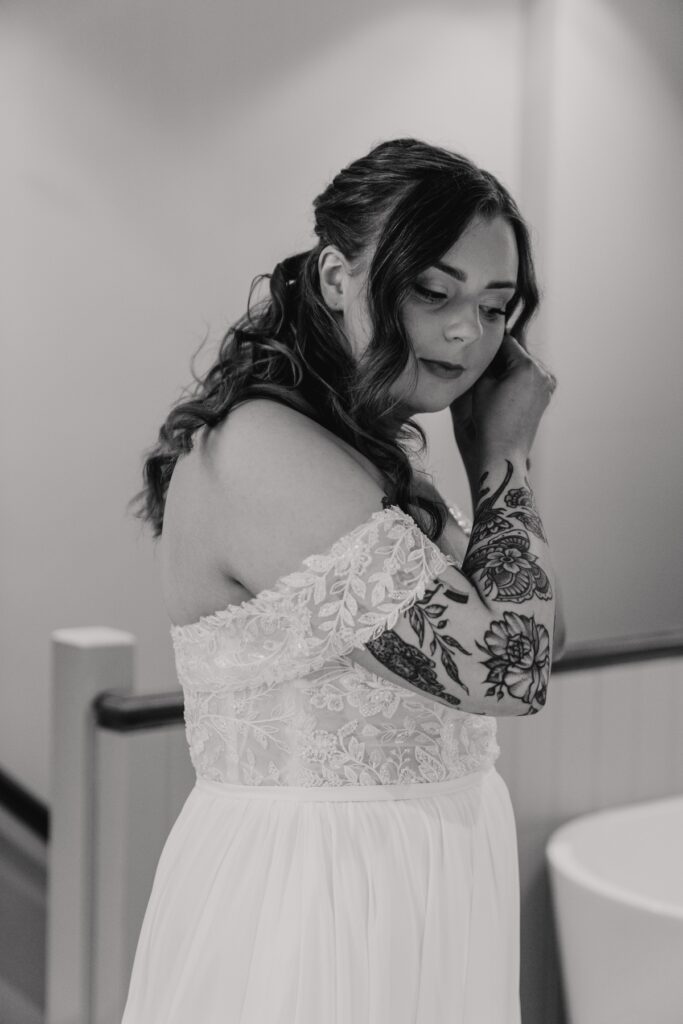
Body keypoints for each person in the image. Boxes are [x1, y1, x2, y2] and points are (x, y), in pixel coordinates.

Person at [123, 137, 563, 1023]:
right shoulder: (264, 447)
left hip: (422, 881)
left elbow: (539, 632)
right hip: (316, 899)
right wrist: (503, 456)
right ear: (335, 275)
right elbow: (511, 672)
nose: (467, 332)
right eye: (432, 292)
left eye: (494, 306)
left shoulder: (365, 455)